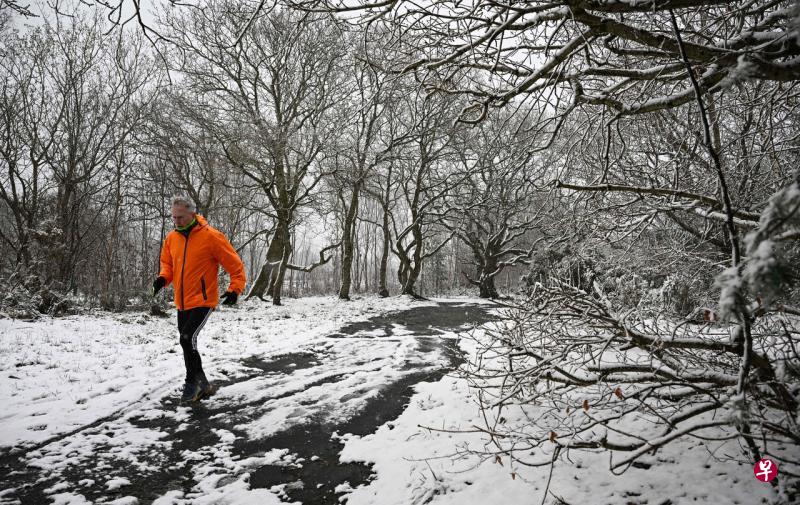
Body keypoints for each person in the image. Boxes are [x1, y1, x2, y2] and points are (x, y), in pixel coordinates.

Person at [152, 195, 246, 403]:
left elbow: (235, 265)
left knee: (187, 339)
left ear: (192, 213)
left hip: (204, 300)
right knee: (188, 343)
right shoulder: (171, 238)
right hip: (181, 301)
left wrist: (234, 289)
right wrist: (163, 278)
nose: (176, 222)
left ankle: (191, 383)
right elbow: (167, 264)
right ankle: (203, 383)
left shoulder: (211, 236)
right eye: (174, 218)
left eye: (180, 217)